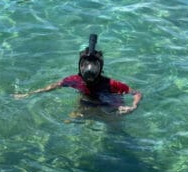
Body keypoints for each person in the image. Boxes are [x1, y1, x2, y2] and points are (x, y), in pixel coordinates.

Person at [14, 34, 143, 115]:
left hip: (110, 105)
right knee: (72, 119)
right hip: (88, 102)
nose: (89, 70)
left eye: (93, 67)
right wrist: (28, 94)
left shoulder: (110, 84)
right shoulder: (75, 80)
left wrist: (133, 107)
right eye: (85, 66)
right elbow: (54, 86)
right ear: (80, 66)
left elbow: (137, 93)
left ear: (100, 68)